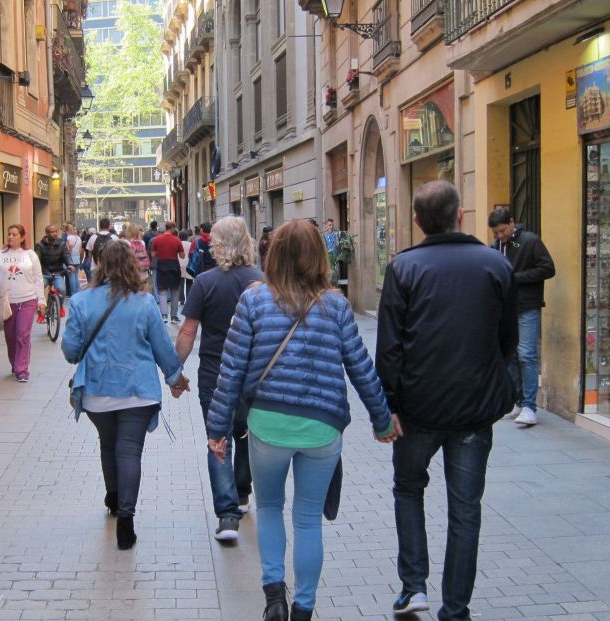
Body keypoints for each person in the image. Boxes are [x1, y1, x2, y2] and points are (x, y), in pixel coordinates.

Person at [206, 220, 399, 621]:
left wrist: (217, 429)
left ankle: (274, 595)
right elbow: (361, 368)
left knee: (271, 508)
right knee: (309, 519)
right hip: (322, 427)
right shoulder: (337, 305)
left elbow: (231, 370)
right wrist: (382, 420)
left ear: (272, 255)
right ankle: (304, 608)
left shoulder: (253, 301)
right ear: (319, 257)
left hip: (268, 426)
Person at [376, 181, 518, 620]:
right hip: (475, 410)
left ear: (417, 221)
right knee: (465, 509)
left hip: (417, 408)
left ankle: (413, 586)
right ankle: (455, 609)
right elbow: (507, 340)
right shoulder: (495, 265)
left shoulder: (403, 268)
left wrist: (389, 407)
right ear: (460, 215)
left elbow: (390, 348)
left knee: (408, 489)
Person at [62, 241, 190, 550]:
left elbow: (70, 351)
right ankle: (126, 520)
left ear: (100, 266)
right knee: (129, 451)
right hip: (137, 391)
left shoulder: (81, 302)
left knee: (108, 443)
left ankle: (114, 498)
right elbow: (161, 347)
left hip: (96, 391)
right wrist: (176, 378)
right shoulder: (145, 303)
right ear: (133, 266)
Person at [176, 216, 262, 542]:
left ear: (220, 244)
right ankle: (242, 493)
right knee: (247, 436)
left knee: (218, 439)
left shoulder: (205, 282)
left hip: (215, 375)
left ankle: (227, 517)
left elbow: (188, 331)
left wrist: (175, 372)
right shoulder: (261, 281)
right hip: (254, 378)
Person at [488, 206, 555, 426]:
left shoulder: (529, 241)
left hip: (527, 306)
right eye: (496, 233)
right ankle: (517, 401)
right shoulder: (497, 246)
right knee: (511, 356)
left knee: (526, 355)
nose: (499, 236)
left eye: (502, 231)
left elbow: (548, 268)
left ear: (511, 223)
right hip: (505, 309)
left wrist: (516, 278)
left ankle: (529, 406)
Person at [0, 224, 45, 382]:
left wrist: (41, 300)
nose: (10, 237)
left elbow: (38, 278)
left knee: (22, 335)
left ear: (22, 237)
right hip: (8, 302)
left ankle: (22, 369)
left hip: (28, 300)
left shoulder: (30, 255)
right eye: (9, 234)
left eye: (14, 234)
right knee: (10, 336)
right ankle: (15, 363)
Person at [34, 224, 74, 313]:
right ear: (47, 233)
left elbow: (66, 255)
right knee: (38, 289)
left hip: (58, 273)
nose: (55, 233)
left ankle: (60, 307)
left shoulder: (62, 244)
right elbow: (36, 260)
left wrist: (70, 264)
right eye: (52, 232)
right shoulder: (40, 245)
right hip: (44, 273)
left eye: (56, 231)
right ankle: (41, 307)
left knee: (62, 290)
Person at [152, 221, 185, 323]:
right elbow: (182, 255)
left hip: (161, 266)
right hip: (174, 266)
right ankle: (174, 316)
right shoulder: (177, 240)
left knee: (162, 292)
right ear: (173, 228)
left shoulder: (157, 240)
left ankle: (164, 316)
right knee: (175, 292)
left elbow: (153, 254)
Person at [66, 225, 83, 296]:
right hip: (77, 258)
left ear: (68, 230)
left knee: (71, 276)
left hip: (71, 258)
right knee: (76, 275)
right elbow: (80, 249)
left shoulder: (69, 237)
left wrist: (69, 253)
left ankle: (73, 292)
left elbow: (69, 245)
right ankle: (78, 291)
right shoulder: (78, 238)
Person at [323, 219, 340, 285]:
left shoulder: (335, 234)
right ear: (326, 226)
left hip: (335, 260)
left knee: (335, 277)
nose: (331, 227)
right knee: (328, 278)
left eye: (332, 225)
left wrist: (338, 243)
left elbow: (338, 245)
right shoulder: (323, 235)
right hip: (327, 260)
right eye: (330, 225)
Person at [178, 230, 192, 305]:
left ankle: (181, 299)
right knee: (189, 282)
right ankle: (189, 299)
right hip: (188, 264)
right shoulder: (190, 244)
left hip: (180, 264)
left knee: (180, 283)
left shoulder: (178, 243)